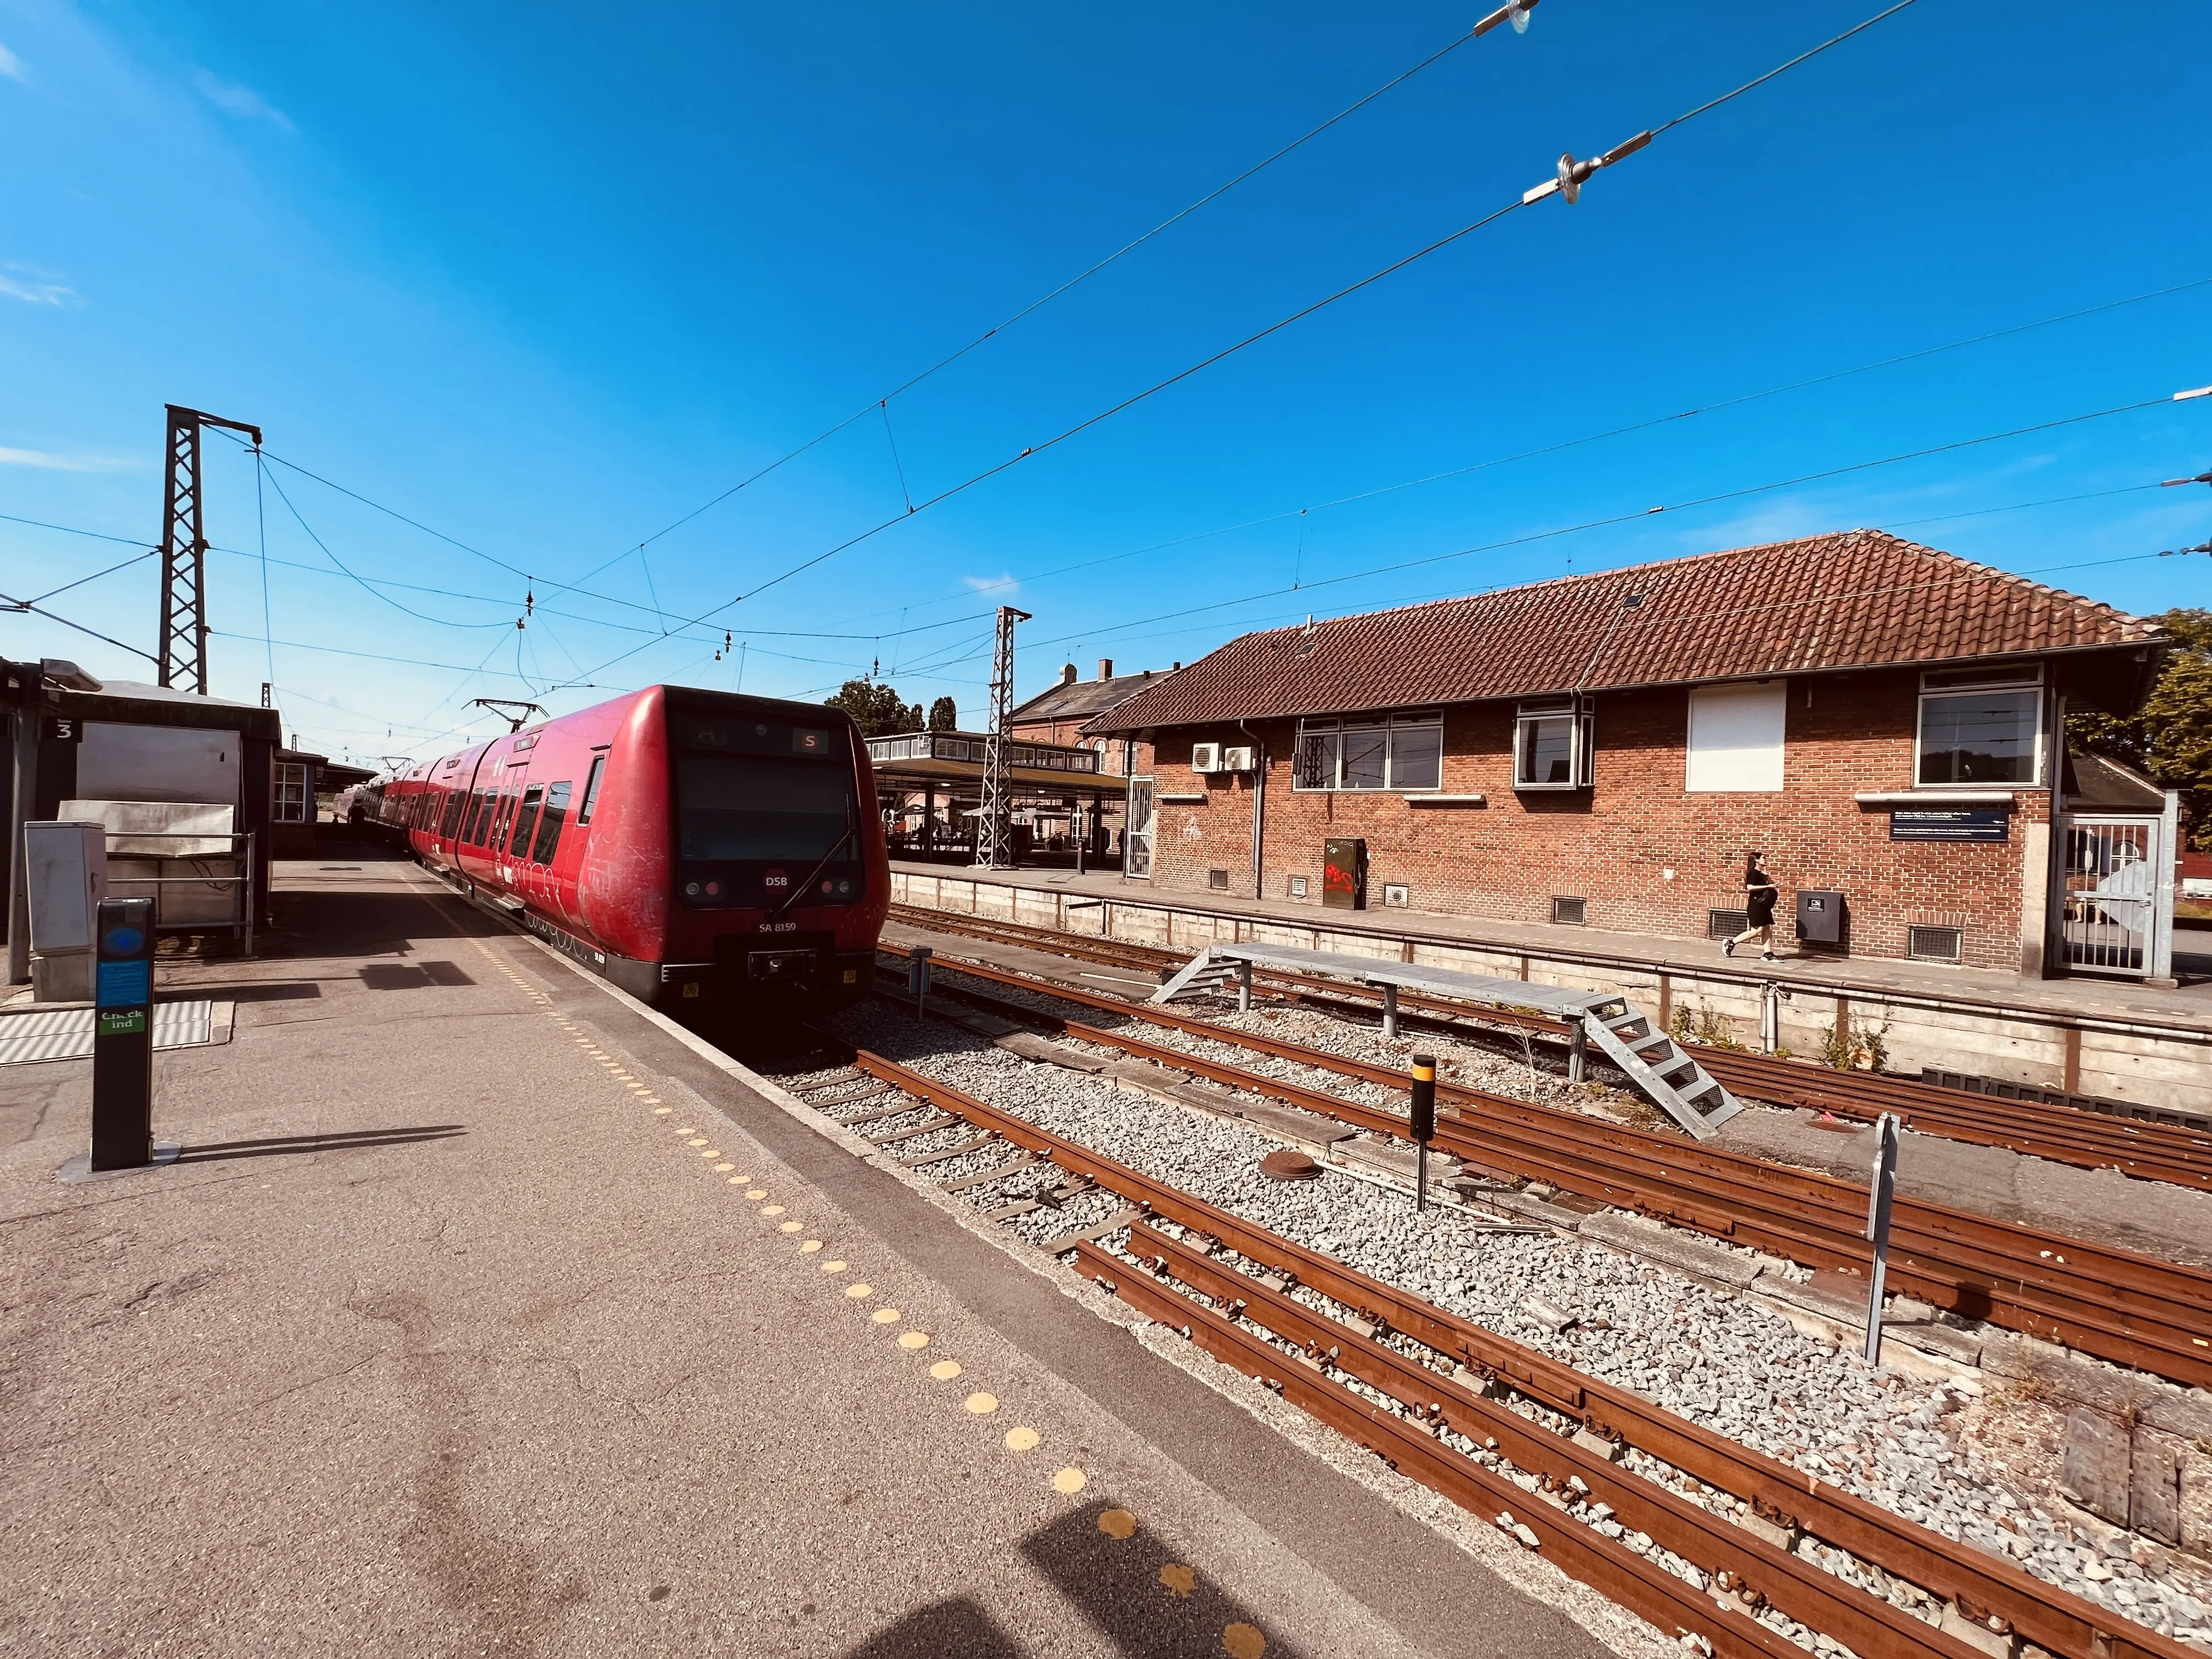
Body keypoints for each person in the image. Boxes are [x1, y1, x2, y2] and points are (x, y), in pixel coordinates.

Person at [1724, 852, 1781, 961]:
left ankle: (1767, 954)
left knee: (1767, 928)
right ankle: (1731, 943)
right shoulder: (1753, 873)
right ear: (1756, 860)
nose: (1766, 860)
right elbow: (1750, 887)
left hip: (1765, 906)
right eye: (1764, 858)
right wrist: (1767, 886)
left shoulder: (1761, 873)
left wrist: (1767, 877)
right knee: (1756, 931)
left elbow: (1771, 885)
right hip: (1756, 905)